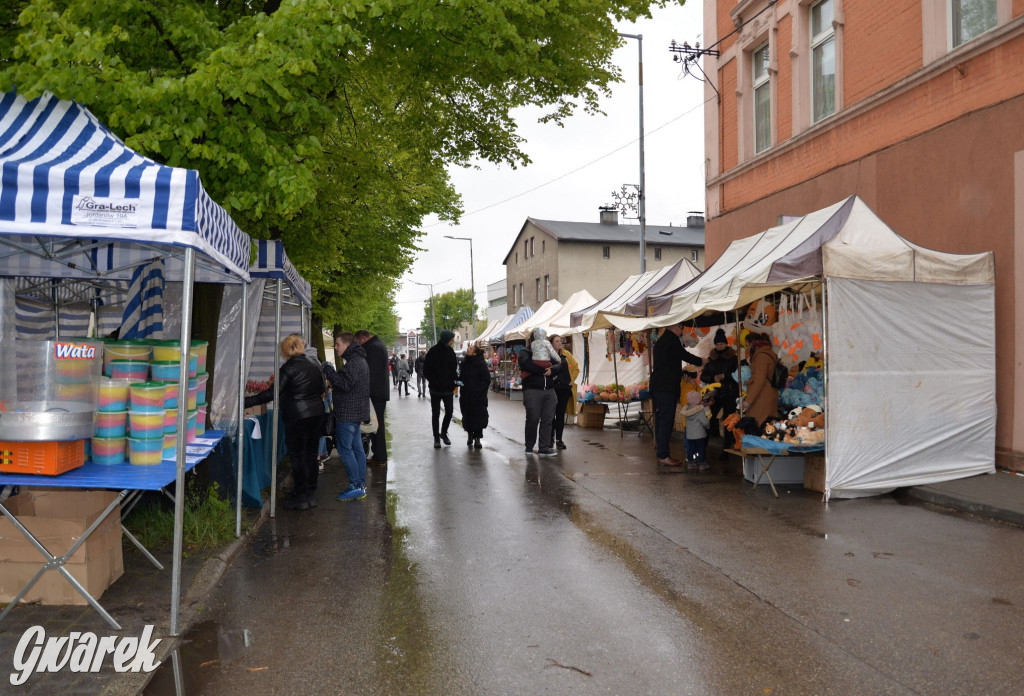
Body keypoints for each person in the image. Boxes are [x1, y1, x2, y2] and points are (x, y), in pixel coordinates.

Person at [244, 334, 326, 510]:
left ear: (285, 351)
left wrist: (246, 402)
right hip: (317, 414)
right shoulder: (314, 365)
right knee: (311, 455)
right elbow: (322, 389)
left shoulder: (288, 368)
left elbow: (272, 394)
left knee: (298, 456)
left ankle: (301, 496)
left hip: (297, 416)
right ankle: (311, 495)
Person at [648, 323, 704, 467]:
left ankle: (662, 453)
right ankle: (663, 455)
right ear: (675, 327)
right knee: (666, 421)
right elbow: (683, 355)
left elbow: (672, 359)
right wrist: (701, 361)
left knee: (661, 421)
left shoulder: (662, 340)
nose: (681, 331)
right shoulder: (671, 340)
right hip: (666, 387)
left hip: (659, 385)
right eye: (680, 328)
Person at [324, 332, 371, 501]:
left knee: (345, 450)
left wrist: (328, 370)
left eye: (337, 344)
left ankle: (356, 486)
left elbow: (344, 384)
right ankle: (360, 484)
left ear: (347, 345)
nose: (335, 347)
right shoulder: (359, 360)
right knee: (357, 449)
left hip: (348, 413)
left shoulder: (353, 363)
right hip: (355, 413)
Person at [519, 328, 562, 456]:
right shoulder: (525, 351)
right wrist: (543, 370)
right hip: (532, 390)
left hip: (549, 390)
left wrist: (552, 371)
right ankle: (529, 446)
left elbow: (560, 363)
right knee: (533, 418)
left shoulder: (548, 350)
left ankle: (544, 447)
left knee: (548, 420)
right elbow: (526, 364)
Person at [701, 328, 740, 458]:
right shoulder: (711, 359)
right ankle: (703, 448)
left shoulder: (733, 358)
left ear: (726, 344)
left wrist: (726, 376)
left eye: (721, 344)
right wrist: (713, 379)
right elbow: (703, 377)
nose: (719, 346)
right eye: (717, 344)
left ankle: (726, 450)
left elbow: (738, 375)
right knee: (709, 419)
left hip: (729, 392)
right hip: (715, 393)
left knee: (728, 421)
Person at [355, 330, 390, 466]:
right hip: (379, 393)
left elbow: (371, 374)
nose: (358, 345)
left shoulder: (373, 348)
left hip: (375, 394)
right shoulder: (378, 344)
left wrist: (365, 393)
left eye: (358, 342)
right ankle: (379, 455)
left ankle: (380, 457)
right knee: (376, 426)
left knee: (376, 427)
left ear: (363, 339)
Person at [424, 330, 458, 448]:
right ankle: (436, 438)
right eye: (451, 339)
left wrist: (455, 382)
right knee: (436, 413)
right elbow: (427, 370)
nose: (453, 341)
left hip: (448, 388)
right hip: (436, 389)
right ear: (446, 339)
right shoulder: (433, 351)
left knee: (449, 411)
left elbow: (454, 368)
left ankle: (444, 432)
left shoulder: (451, 351)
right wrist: (434, 381)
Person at [742, 332, 782, 425]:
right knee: (769, 426)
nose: (747, 348)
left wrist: (748, 401)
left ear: (753, 343)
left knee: (760, 427)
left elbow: (759, 380)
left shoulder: (761, 357)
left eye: (747, 345)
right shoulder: (769, 353)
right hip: (769, 394)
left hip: (762, 398)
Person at [458, 340, 490, 449]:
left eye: (470, 349)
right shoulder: (464, 363)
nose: (468, 350)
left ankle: (477, 438)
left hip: (478, 397)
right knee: (467, 415)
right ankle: (469, 435)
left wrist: (479, 391)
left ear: (475, 353)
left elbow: (486, 380)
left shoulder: (481, 364)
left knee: (478, 417)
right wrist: (458, 383)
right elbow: (461, 379)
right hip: (466, 395)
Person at [549, 333, 579, 450]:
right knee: (551, 415)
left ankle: (559, 440)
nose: (560, 343)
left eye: (560, 341)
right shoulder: (547, 355)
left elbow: (576, 368)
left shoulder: (566, 354)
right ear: (551, 344)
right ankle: (550, 439)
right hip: (551, 389)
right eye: (556, 341)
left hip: (564, 389)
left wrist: (570, 381)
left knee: (560, 414)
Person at [680, 390, 711, 470]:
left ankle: (691, 463)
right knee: (701, 449)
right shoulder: (699, 410)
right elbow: (704, 421)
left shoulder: (687, 411)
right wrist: (708, 426)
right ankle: (702, 463)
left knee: (691, 449)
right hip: (699, 434)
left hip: (690, 435)